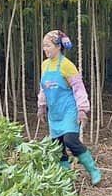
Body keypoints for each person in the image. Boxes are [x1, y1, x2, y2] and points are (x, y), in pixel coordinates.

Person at [37, 30, 101, 186]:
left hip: (68, 110)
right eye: (44, 46)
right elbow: (43, 88)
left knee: (70, 140)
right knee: (57, 147)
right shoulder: (45, 65)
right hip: (54, 113)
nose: (45, 49)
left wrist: (82, 110)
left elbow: (79, 89)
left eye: (48, 45)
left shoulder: (67, 65)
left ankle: (93, 170)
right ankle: (66, 178)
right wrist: (41, 106)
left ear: (58, 46)